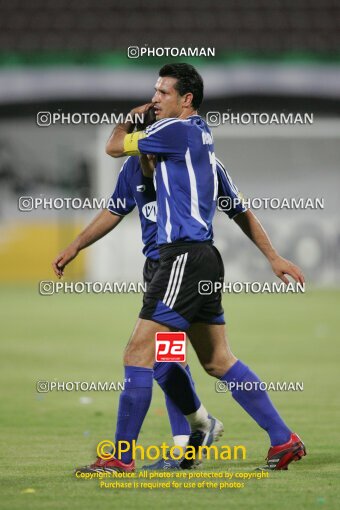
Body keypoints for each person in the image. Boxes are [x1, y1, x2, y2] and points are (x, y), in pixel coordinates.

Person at [61, 63, 306, 472]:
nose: (155, 99)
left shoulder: (173, 131)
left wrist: (132, 116)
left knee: (138, 353)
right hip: (193, 264)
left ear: (186, 100)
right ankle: (279, 439)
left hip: (183, 261)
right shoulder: (204, 153)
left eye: (162, 92)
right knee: (210, 360)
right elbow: (238, 208)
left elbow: (113, 144)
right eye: (153, 92)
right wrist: (273, 257)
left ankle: (122, 458)